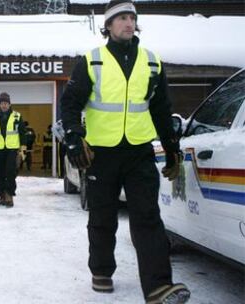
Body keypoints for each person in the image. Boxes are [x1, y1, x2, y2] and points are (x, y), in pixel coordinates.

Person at [60, 1, 190, 303]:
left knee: (147, 216)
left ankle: (158, 286)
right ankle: (102, 271)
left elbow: (161, 110)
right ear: (108, 25)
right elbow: (70, 104)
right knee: (103, 216)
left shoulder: (152, 62)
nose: (128, 23)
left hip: (139, 152)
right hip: (101, 154)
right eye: (121, 18)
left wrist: (171, 148)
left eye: (132, 17)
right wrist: (74, 137)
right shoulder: (92, 61)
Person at [0, 92, 26, 207]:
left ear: (9, 104)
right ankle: (1, 195)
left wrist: (22, 150)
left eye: (6, 103)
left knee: (10, 172)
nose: (4, 105)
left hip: (12, 149)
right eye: (2, 103)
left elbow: (22, 134)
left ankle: (9, 194)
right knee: (0, 173)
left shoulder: (17, 116)